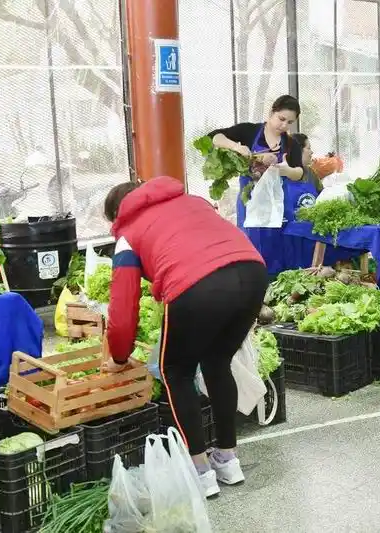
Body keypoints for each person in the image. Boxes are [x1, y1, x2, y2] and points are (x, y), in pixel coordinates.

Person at [100, 177, 268, 498]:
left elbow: (123, 309)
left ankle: (200, 471)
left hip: (196, 285)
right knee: (217, 362)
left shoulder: (127, 235)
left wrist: (119, 357)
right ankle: (228, 459)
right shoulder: (194, 202)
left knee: (176, 371)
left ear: (116, 215)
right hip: (252, 272)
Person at [209, 95, 320, 274]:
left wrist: (285, 171)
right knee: (254, 251)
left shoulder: (291, 143)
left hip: (280, 207)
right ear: (271, 112)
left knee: (281, 252)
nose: (284, 125)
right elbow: (214, 137)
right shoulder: (249, 132)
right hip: (251, 204)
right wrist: (237, 148)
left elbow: (299, 172)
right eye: (281, 119)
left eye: (289, 122)